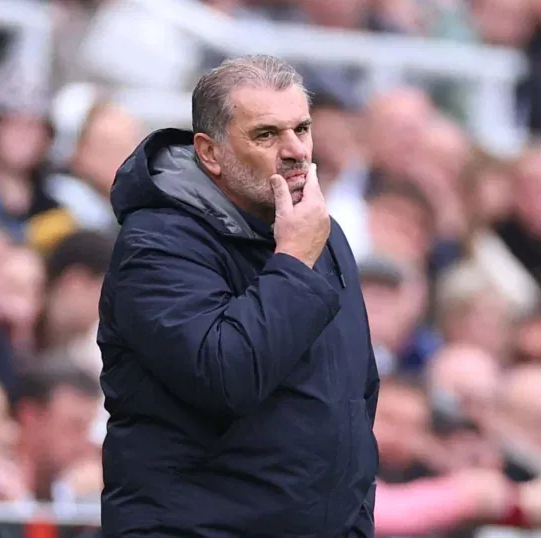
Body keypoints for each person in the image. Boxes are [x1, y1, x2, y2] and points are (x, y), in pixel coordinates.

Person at [98, 55, 380, 537]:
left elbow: (353, 398)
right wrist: (292, 260)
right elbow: (227, 375)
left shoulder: (318, 233)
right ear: (210, 153)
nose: (295, 150)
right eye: (266, 134)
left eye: (302, 129)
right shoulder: (158, 242)